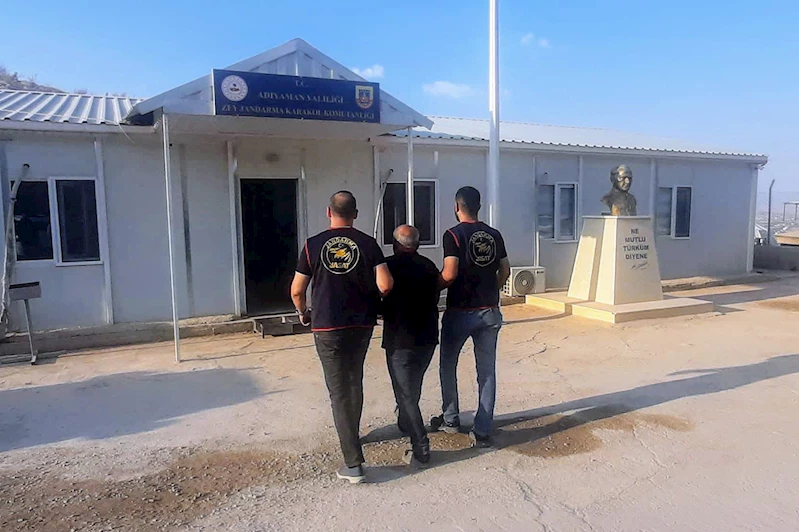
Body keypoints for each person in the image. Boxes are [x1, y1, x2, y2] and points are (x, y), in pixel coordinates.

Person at [290, 191, 393, 484]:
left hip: (327, 326)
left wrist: (303, 312)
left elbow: (297, 290)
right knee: (354, 381)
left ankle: (353, 463)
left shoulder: (312, 245)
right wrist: (371, 299)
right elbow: (386, 284)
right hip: (360, 324)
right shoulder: (368, 243)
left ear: (328, 212)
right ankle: (352, 434)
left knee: (338, 390)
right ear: (355, 214)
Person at [431, 186, 511, 448]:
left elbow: (450, 273)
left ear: (457, 207)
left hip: (460, 312)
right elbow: (505, 270)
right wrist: (492, 289)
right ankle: (483, 429)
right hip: (489, 311)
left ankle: (451, 419)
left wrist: (431, 287)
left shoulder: (453, 235)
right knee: (486, 371)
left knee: (448, 365)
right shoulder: (494, 235)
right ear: (479, 206)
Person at [381, 225, 443, 467]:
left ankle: (421, 446)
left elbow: (379, 297)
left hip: (400, 339)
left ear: (395, 244)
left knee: (405, 393)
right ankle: (406, 423)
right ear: (417, 245)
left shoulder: (387, 267)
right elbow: (435, 296)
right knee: (412, 386)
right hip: (427, 337)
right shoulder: (428, 266)